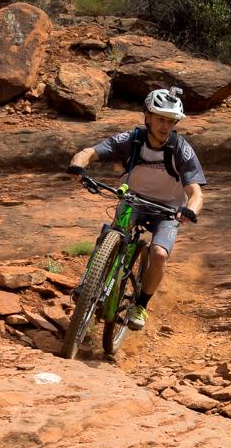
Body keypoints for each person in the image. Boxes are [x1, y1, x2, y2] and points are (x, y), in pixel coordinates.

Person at [69, 86, 205, 331]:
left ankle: (141, 304)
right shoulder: (131, 140)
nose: (165, 126)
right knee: (114, 232)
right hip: (133, 200)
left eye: (171, 121)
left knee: (159, 254)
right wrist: (78, 166)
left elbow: (195, 193)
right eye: (160, 119)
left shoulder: (181, 150)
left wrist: (190, 210)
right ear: (148, 117)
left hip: (168, 209)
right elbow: (89, 152)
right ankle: (90, 282)